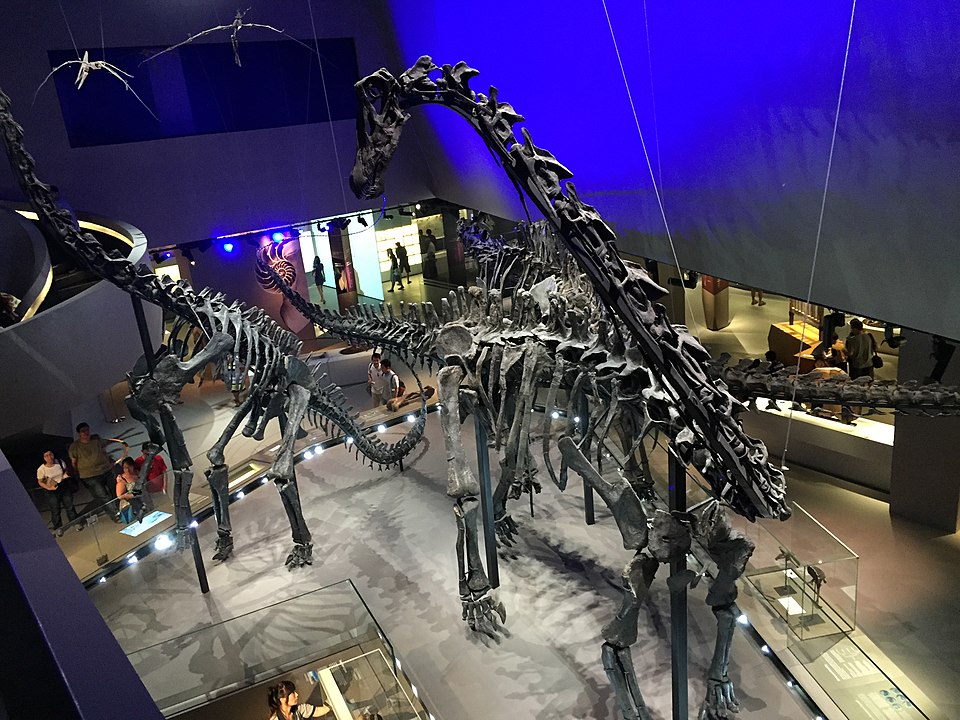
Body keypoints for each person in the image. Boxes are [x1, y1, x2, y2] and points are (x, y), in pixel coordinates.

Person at [69, 422, 125, 520]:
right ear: (79, 433)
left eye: (87, 430)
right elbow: (74, 462)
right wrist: (77, 474)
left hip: (106, 470)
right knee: (103, 495)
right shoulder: (75, 446)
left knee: (115, 491)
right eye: (83, 431)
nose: (86, 432)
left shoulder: (96, 439)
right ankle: (115, 515)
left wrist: (110, 463)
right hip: (90, 475)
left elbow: (104, 449)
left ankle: (122, 510)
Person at [37, 450, 78, 534]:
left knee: (69, 506)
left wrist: (65, 475)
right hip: (52, 491)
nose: (49, 457)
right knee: (55, 510)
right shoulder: (42, 469)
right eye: (46, 456)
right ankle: (58, 527)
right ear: (43, 458)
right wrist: (49, 488)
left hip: (63, 486)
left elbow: (65, 470)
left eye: (50, 454)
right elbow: (40, 481)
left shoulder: (59, 462)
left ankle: (75, 522)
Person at [267, 680, 331, 720]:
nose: (297, 694)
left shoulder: (299, 709)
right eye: (292, 693)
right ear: (283, 699)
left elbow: (321, 710)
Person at [115, 457, 139, 524]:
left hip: (142, 501)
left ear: (133, 466)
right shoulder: (121, 479)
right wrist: (133, 495)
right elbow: (119, 496)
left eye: (129, 467)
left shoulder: (138, 473)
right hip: (130, 506)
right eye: (125, 468)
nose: (127, 470)